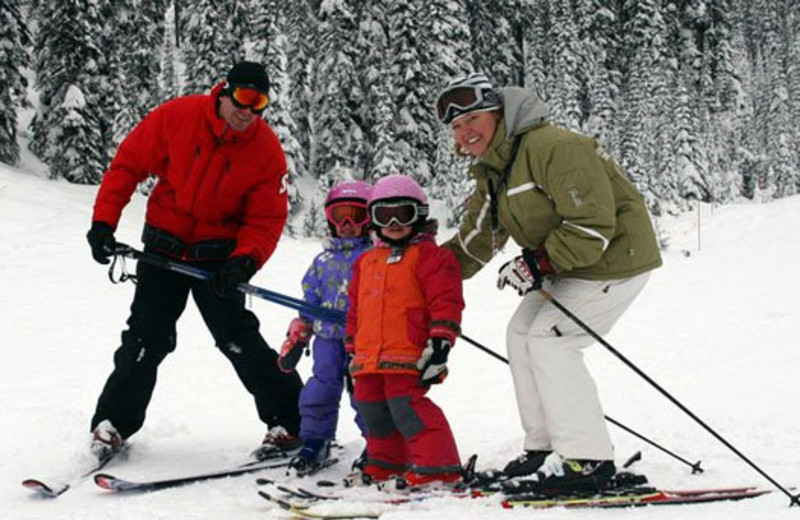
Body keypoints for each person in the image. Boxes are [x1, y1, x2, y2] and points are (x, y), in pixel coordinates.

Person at [435, 73, 663, 491]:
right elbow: (478, 239)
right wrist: (422, 271)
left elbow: (593, 225)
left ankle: (588, 460)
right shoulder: (495, 169)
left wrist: (537, 263)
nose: (464, 133)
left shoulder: (554, 147)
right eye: (455, 126)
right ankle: (541, 448)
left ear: (499, 113)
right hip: (570, 266)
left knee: (550, 340)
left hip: (615, 260)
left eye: (472, 119)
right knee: (520, 333)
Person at [85, 61, 303, 460]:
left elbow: (266, 218)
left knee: (238, 339)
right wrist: (103, 222)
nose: (248, 111)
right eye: (243, 98)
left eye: (260, 103)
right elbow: (128, 165)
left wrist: (245, 262)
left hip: (218, 259)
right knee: (145, 339)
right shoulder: (177, 117)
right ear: (225, 92)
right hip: (164, 247)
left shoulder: (266, 151)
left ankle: (292, 420)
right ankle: (113, 424)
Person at [344, 174, 465, 489]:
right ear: (372, 220)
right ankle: (386, 463)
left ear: (420, 216)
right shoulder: (366, 261)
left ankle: (437, 467)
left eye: (404, 213)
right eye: (384, 215)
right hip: (368, 357)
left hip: (408, 352)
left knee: (407, 408)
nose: (394, 222)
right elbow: (355, 309)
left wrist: (440, 341)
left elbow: (446, 300)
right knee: (373, 411)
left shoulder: (431, 257)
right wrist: (350, 350)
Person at [276, 180, 373, 475]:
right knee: (319, 389)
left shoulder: (375, 257)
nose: (346, 224)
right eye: (339, 216)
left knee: (366, 393)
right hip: (328, 340)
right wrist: (297, 338)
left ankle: (380, 445)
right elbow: (309, 304)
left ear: (368, 219)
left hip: (366, 341)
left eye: (355, 216)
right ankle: (316, 441)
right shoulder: (322, 261)